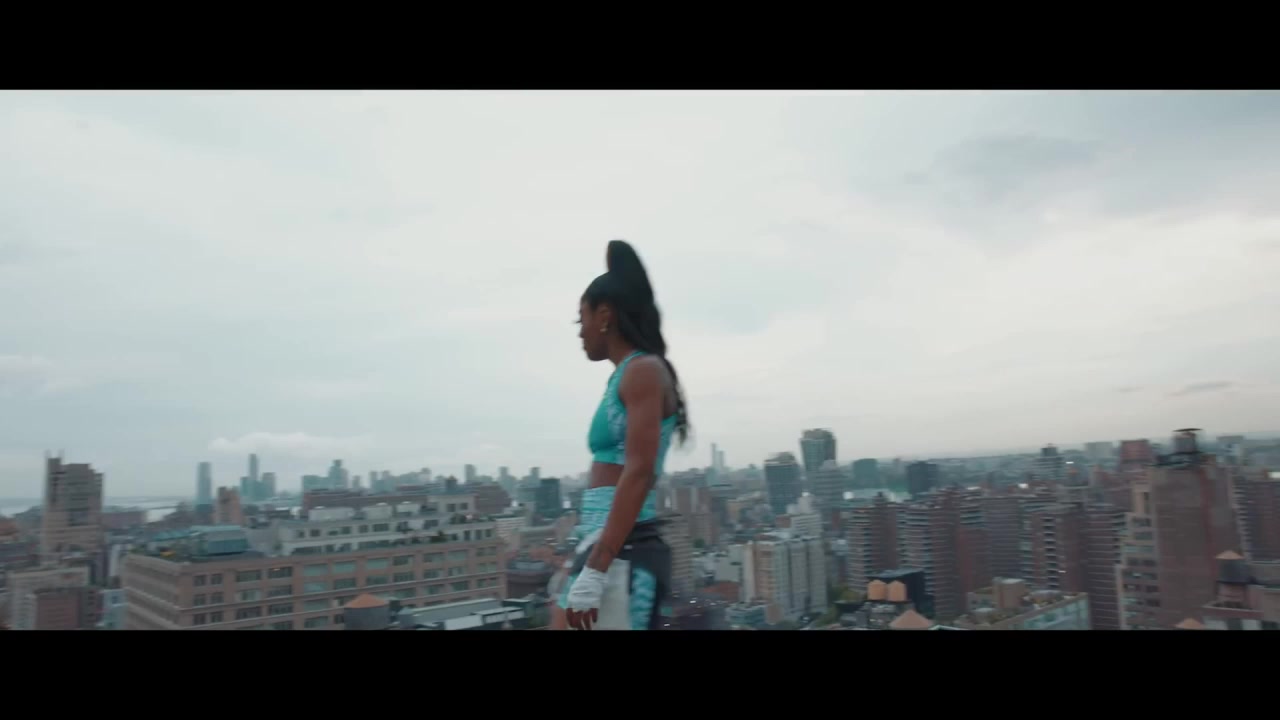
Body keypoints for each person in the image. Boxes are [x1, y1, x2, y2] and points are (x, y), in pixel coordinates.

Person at [551, 240, 690, 631]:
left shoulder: (642, 371)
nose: (580, 332)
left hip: (623, 550)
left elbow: (639, 470)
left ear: (604, 316)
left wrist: (597, 566)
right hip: (605, 542)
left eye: (581, 319)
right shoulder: (626, 374)